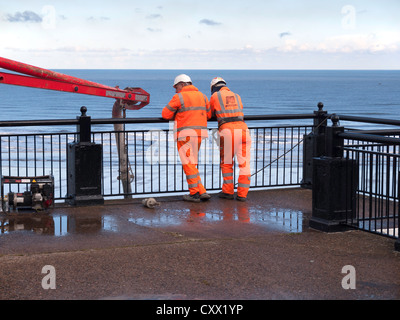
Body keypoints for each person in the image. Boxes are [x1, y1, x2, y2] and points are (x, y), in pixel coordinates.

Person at [162, 74, 212, 203]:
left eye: (176, 86)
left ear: (183, 84)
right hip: (200, 134)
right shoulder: (203, 96)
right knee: (192, 163)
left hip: (185, 134)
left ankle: (194, 193)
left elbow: (165, 114)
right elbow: (209, 114)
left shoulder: (179, 97)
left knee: (188, 164)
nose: (175, 89)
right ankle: (201, 191)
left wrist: (178, 114)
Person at [209, 77, 251, 201]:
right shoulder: (237, 96)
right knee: (244, 163)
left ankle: (228, 191)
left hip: (228, 131)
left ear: (213, 87)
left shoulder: (215, 96)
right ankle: (242, 194)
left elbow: (210, 113)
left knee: (227, 162)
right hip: (243, 130)